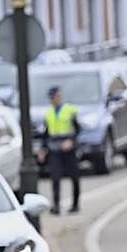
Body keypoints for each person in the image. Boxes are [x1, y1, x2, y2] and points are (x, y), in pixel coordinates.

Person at [41, 86, 81, 215]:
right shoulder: (48, 113)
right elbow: (46, 133)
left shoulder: (70, 110)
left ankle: (75, 204)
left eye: (58, 96)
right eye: (53, 97)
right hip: (54, 149)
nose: (56, 99)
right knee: (55, 177)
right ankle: (56, 206)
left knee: (74, 177)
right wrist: (43, 149)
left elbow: (78, 129)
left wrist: (71, 141)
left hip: (69, 148)